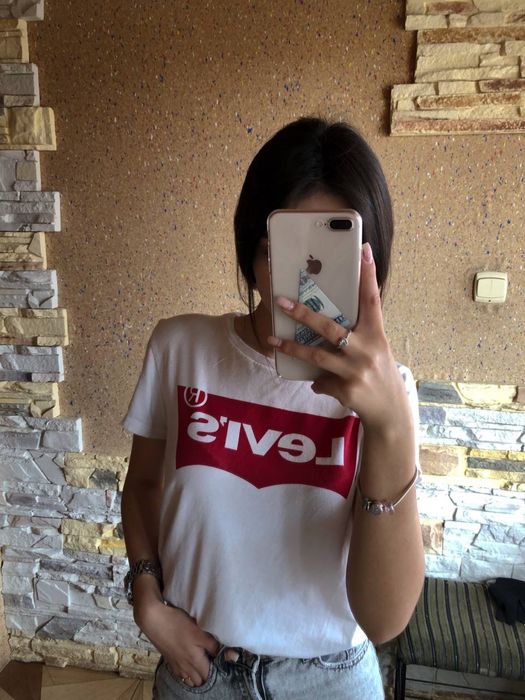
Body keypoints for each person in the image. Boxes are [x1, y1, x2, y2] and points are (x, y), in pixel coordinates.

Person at [120, 117, 425, 700]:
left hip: (330, 679)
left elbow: (385, 619)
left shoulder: (390, 396)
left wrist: (388, 424)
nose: (302, 284)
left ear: (368, 263)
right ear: (251, 248)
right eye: (278, 250)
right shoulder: (180, 348)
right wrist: (148, 601)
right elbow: (143, 487)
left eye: (328, 256)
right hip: (199, 671)